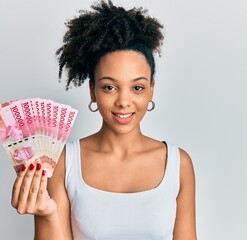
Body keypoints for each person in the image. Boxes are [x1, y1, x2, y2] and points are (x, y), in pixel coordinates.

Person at [11, 1, 197, 239]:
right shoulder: (64, 163)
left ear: (151, 90)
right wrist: (46, 214)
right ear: (92, 91)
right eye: (109, 87)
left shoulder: (178, 164)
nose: (124, 101)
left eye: (137, 87)